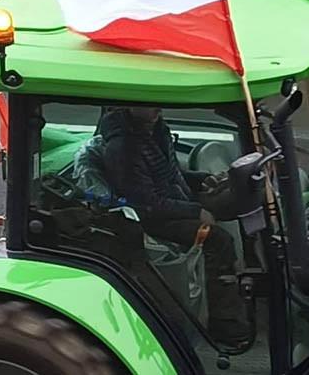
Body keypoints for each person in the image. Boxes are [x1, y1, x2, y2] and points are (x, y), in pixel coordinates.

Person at [96, 106, 251, 349]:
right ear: (130, 106)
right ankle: (223, 322)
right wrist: (196, 212)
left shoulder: (156, 131)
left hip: (176, 203)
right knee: (219, 240)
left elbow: (171, 174)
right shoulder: (123, 148)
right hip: (155, 220)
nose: (157, 108)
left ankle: (242, 293)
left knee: (236, 205)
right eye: (148, 103)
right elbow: (147, 204)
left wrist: (201, 179)